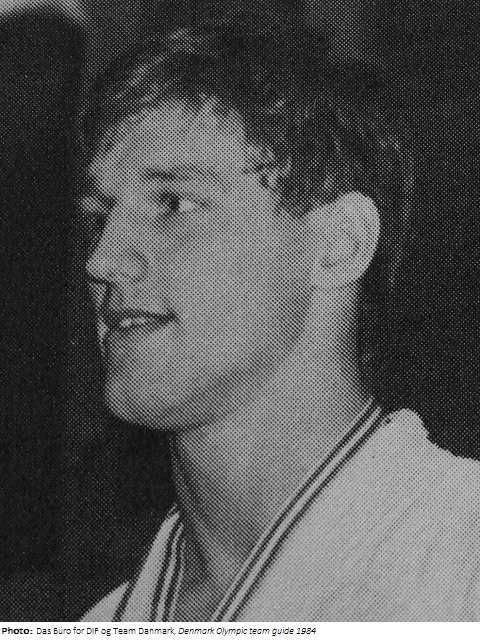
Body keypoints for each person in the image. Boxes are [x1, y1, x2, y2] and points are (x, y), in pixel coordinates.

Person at [80, 7, 480, 621]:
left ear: (336, 243)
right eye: (99, 215)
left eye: (173, 204)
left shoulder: (461, 561)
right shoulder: (103, 622)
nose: (103, 259)